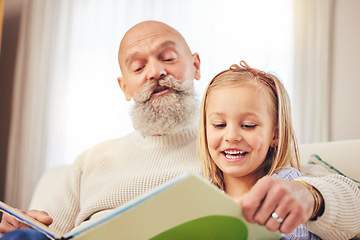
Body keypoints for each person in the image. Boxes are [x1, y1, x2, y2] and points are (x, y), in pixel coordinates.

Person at [1, 20, 359, 239]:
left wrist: (310, 196)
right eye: (138, 66)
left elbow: (344, 197)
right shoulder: (88, 163)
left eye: (168, 58)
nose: (155, 72)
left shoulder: (235, 152)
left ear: (196, 65)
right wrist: (24, 227)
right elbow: (48, 233)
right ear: (123, 86)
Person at [198, 60, 321, 239]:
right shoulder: (200, 186)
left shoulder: (289, 188)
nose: (231, 136)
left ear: (275, 134)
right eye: (219, 125)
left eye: (248, 125)